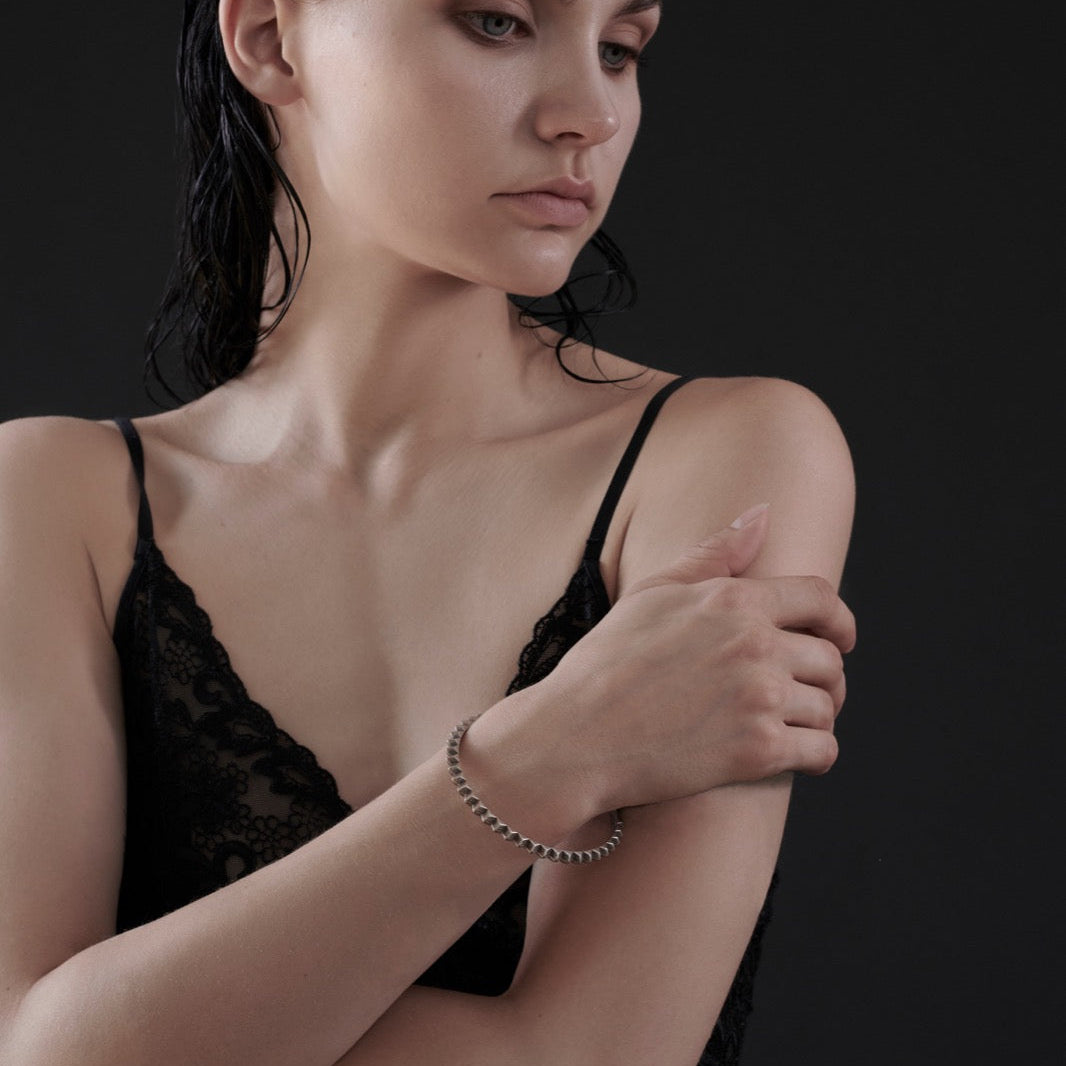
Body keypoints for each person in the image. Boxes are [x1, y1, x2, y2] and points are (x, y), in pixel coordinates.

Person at [0, 1, 856, 1063]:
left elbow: (590, 1055)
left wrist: (154, 1019)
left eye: (620, 48)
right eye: (496, 22)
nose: (588, 112)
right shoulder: (50, 498)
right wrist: (551, 751)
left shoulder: (730, 454)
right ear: (269, 36)